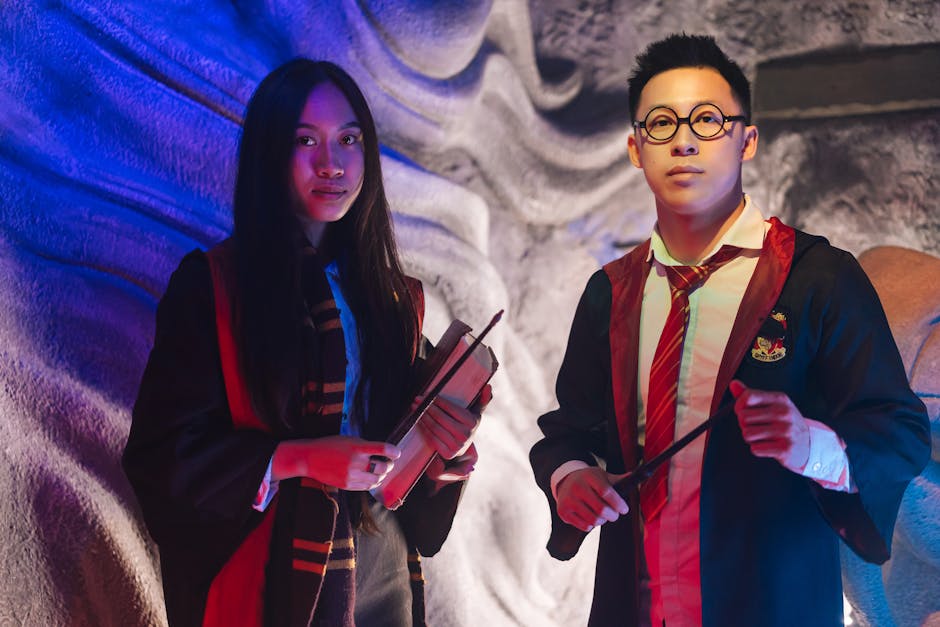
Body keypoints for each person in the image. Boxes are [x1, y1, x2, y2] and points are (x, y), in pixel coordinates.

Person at [529, 34, 930, 627]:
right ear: (636, 150)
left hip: (770, 605)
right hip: (635, 606)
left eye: (708, 121)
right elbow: (570, 430)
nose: (684, 140)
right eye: (661, 124)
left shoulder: (816, 277)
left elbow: (899, 433)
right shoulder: (612, 292)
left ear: (748, 140)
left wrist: (811, 445)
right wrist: (571, 477)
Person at [123, 59, 487, 627]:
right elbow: (160, 454)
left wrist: (442, 458)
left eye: (348, 139)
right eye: (304, 140)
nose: (331, 163)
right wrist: (300, 459)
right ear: (271, 153)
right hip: (279, 568)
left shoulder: (393, 299)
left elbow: (399, 457)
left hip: (382, 560)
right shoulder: (217, 286)